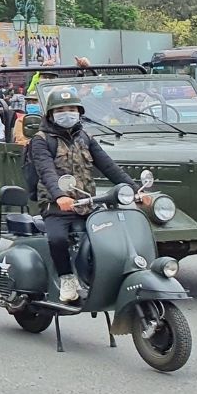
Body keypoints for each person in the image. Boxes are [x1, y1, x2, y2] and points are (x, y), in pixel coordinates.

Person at [28, 88, 141, 303]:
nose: (67, 113)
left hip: (87, 203)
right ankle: (66, 278)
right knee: (58, 239)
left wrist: (135, 190)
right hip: (55, 206)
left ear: (79, 112)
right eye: (61, 109)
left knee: (110, 237)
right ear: (51, 114)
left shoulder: (86, 136)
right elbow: (46, 170)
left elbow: (108, 166)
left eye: (71, 109)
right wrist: (59, 195)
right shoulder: (41, 140)